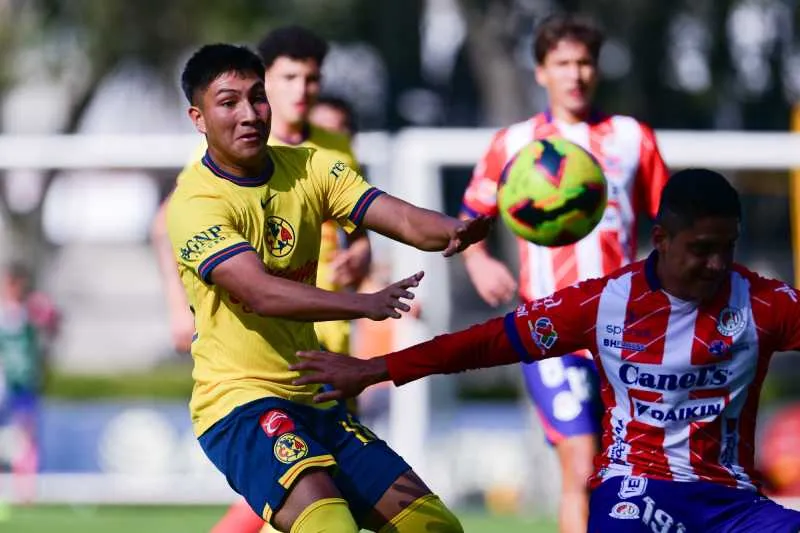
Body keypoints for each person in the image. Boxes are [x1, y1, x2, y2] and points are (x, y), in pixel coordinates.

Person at [293, 168, 800, 533]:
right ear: (662, 239)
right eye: (702, 248)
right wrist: (375, 368)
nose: (716, 264)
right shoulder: (603, 303)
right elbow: (482, 343)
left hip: (734, 505)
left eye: (727, 247)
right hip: (637, 492)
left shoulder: (763, 303)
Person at [168, 43, 490, 533]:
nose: (250, 114)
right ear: (199, 117)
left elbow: (396, 215)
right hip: (239, 405)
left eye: (258, 98)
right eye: (229, 102)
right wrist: (362, 304)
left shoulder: (311, 166)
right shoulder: (195, 202)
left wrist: (453, 228)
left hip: (316, 398)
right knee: (329, 526)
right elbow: (262, 293)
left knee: (436, 528)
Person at [459, 14, 669, 532]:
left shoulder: (630, 138)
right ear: (540, 72)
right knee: (581, 463)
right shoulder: (513, 145)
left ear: (597, 69)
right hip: (549, 331)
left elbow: (673, 223)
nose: (575, 75)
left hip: (628, 332)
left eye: (584, 62)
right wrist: (479, 260)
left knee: (638, 475)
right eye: (562, 64)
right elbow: (471, 217)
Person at [153, 26, 370, 357]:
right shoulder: (227, 149)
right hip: (259, 334)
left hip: (330, 324)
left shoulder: (337, 148)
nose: (302, 90)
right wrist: (179, 307)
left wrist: (360, 255)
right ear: (265, 80)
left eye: (311, 79)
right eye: (289, 77)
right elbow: (166, 223)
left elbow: (357, 230)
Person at [0, 263, 59, 507]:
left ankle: (25, 490)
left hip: (24, 386)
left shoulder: (30, 313)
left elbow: (52, 331)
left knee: (25, 438)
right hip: (4, 386)